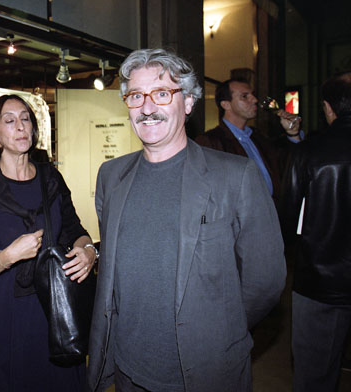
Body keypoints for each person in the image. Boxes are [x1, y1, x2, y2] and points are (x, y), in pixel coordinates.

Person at [88, 49, 286, 392]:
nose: (147, 107)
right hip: (127, 370)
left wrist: (222, 329)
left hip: (205, 372)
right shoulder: (111, 175)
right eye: (136, 96)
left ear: (189, 102)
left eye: (162, 94)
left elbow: (265, 279)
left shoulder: (235, 176)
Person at [0, 94, 96, 391]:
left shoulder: (51, 179)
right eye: (10, 121)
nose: (21, 126)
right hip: (1, 317)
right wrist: (7, 256)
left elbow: (75, 230)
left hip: (54, 311)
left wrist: (88, 251)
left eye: (25, 119)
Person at [282, 71, 351, 392]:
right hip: (323, 283)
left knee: (315, 376)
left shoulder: (309, 151)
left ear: (327, 108)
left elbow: (289, 216)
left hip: (320, 283)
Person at [195, 78, 301, 204]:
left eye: (253, 95)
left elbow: (286, 167)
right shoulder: (210, 142)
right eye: (245, 96)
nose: (255, 100)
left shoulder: (258, 137)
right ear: (226, 104)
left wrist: (293, 133)